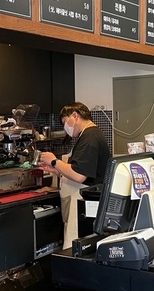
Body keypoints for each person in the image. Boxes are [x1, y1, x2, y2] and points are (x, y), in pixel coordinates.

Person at [38, 102, 111, 249]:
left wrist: (54, 161)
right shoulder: (88, 135)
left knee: (76, 246)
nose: (65, 127)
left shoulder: (90, 138)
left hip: (83, 200)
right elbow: (81, 168)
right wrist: (57, 170)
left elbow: (79, 175)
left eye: (65, 122)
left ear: (75, 116)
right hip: (83, 199)